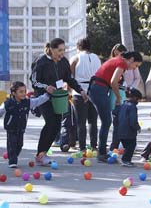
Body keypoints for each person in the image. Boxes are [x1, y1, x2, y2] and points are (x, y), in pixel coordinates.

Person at [31, 38, 87, 166]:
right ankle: (41, 154)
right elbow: (34, 80)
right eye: (59, 50)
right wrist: (46, 87)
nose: (62, 53)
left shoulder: (64, 62)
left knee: (56, 125)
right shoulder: (41, 61)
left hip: (58, 98)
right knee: (50, 122)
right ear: (51, 49)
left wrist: (81, 90)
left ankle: (42, 153)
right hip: (44, 97)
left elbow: (69, 79)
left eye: (64, 50)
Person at [88, 51, 143, 162]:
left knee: (106, 121)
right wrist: (118, 97)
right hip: (99, 89)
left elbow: (112, 80)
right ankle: (102, 153)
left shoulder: (117, 59)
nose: (133, 68)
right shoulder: (122, 63)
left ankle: (102, 151)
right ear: (131, 59)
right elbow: (113, 81)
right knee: (107, 121)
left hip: (97, 88)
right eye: (135, 65)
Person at [0, 81, 50, 168]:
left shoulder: (27, 102)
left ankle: (13, 155)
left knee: (19, 144)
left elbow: (38, 101)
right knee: (12, 144)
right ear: (14, 93)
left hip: (21, 128)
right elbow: (1, 110)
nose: (24, 94)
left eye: (24, 91)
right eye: (21, 92)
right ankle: (12, 161)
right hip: (11, 128)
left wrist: (48, 95)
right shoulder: (8, 103)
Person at [70, 38, 101, 151]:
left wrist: (69, 90)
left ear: (78, 47)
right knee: (93, 120)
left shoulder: (76, 57)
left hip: (79, 91)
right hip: (94, 90)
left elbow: (70, 75)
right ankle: (94, 145)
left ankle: (82, 146)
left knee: (80, 121)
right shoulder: (96, 58)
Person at [113, 88, 142, 167]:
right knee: (132, 145)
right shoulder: (133, 107)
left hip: (120, 131)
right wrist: (137, 127)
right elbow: (133, 120)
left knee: (127, 146)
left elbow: (115, 114)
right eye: (138, 100)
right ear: (135, 98)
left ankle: (126, 159)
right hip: (129, 131)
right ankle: (126, 160)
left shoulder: (122, 105)